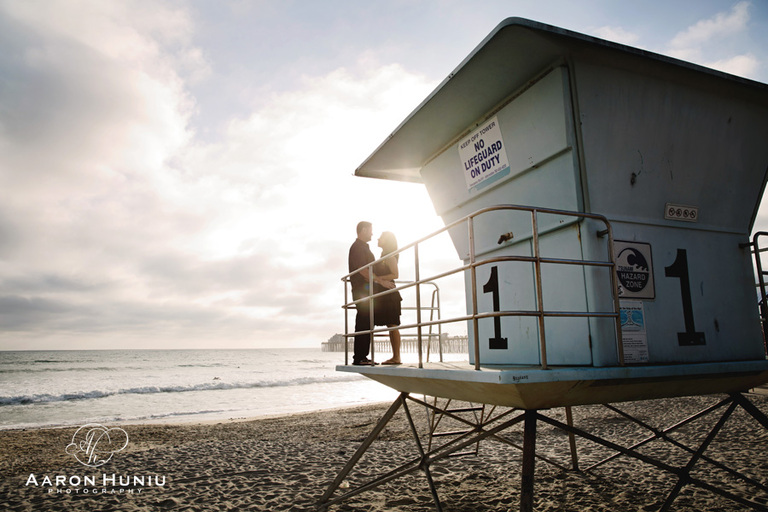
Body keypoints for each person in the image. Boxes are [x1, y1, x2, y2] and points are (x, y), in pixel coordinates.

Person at [347, 222, 393, 365]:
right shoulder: (358, 248)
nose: (372, 234)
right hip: (362, 290)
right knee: (363, 322)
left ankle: (362, 357)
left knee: (366, 322)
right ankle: (359, 357)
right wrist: (381, 281)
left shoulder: (363, 247)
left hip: (366, 290)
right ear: (364, 230)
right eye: (371, 231)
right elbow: (363, 271)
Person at [374, 231, 403, 365]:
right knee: (390, 325)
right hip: (385, 294)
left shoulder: (390, 255)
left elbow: (395, 274)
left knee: (393, 325)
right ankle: (395, 357)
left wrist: (379, 279)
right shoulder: (384, 255)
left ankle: (397, 357)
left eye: (381, 237)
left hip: (390, 294)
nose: (378, 238)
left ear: (387, 240)